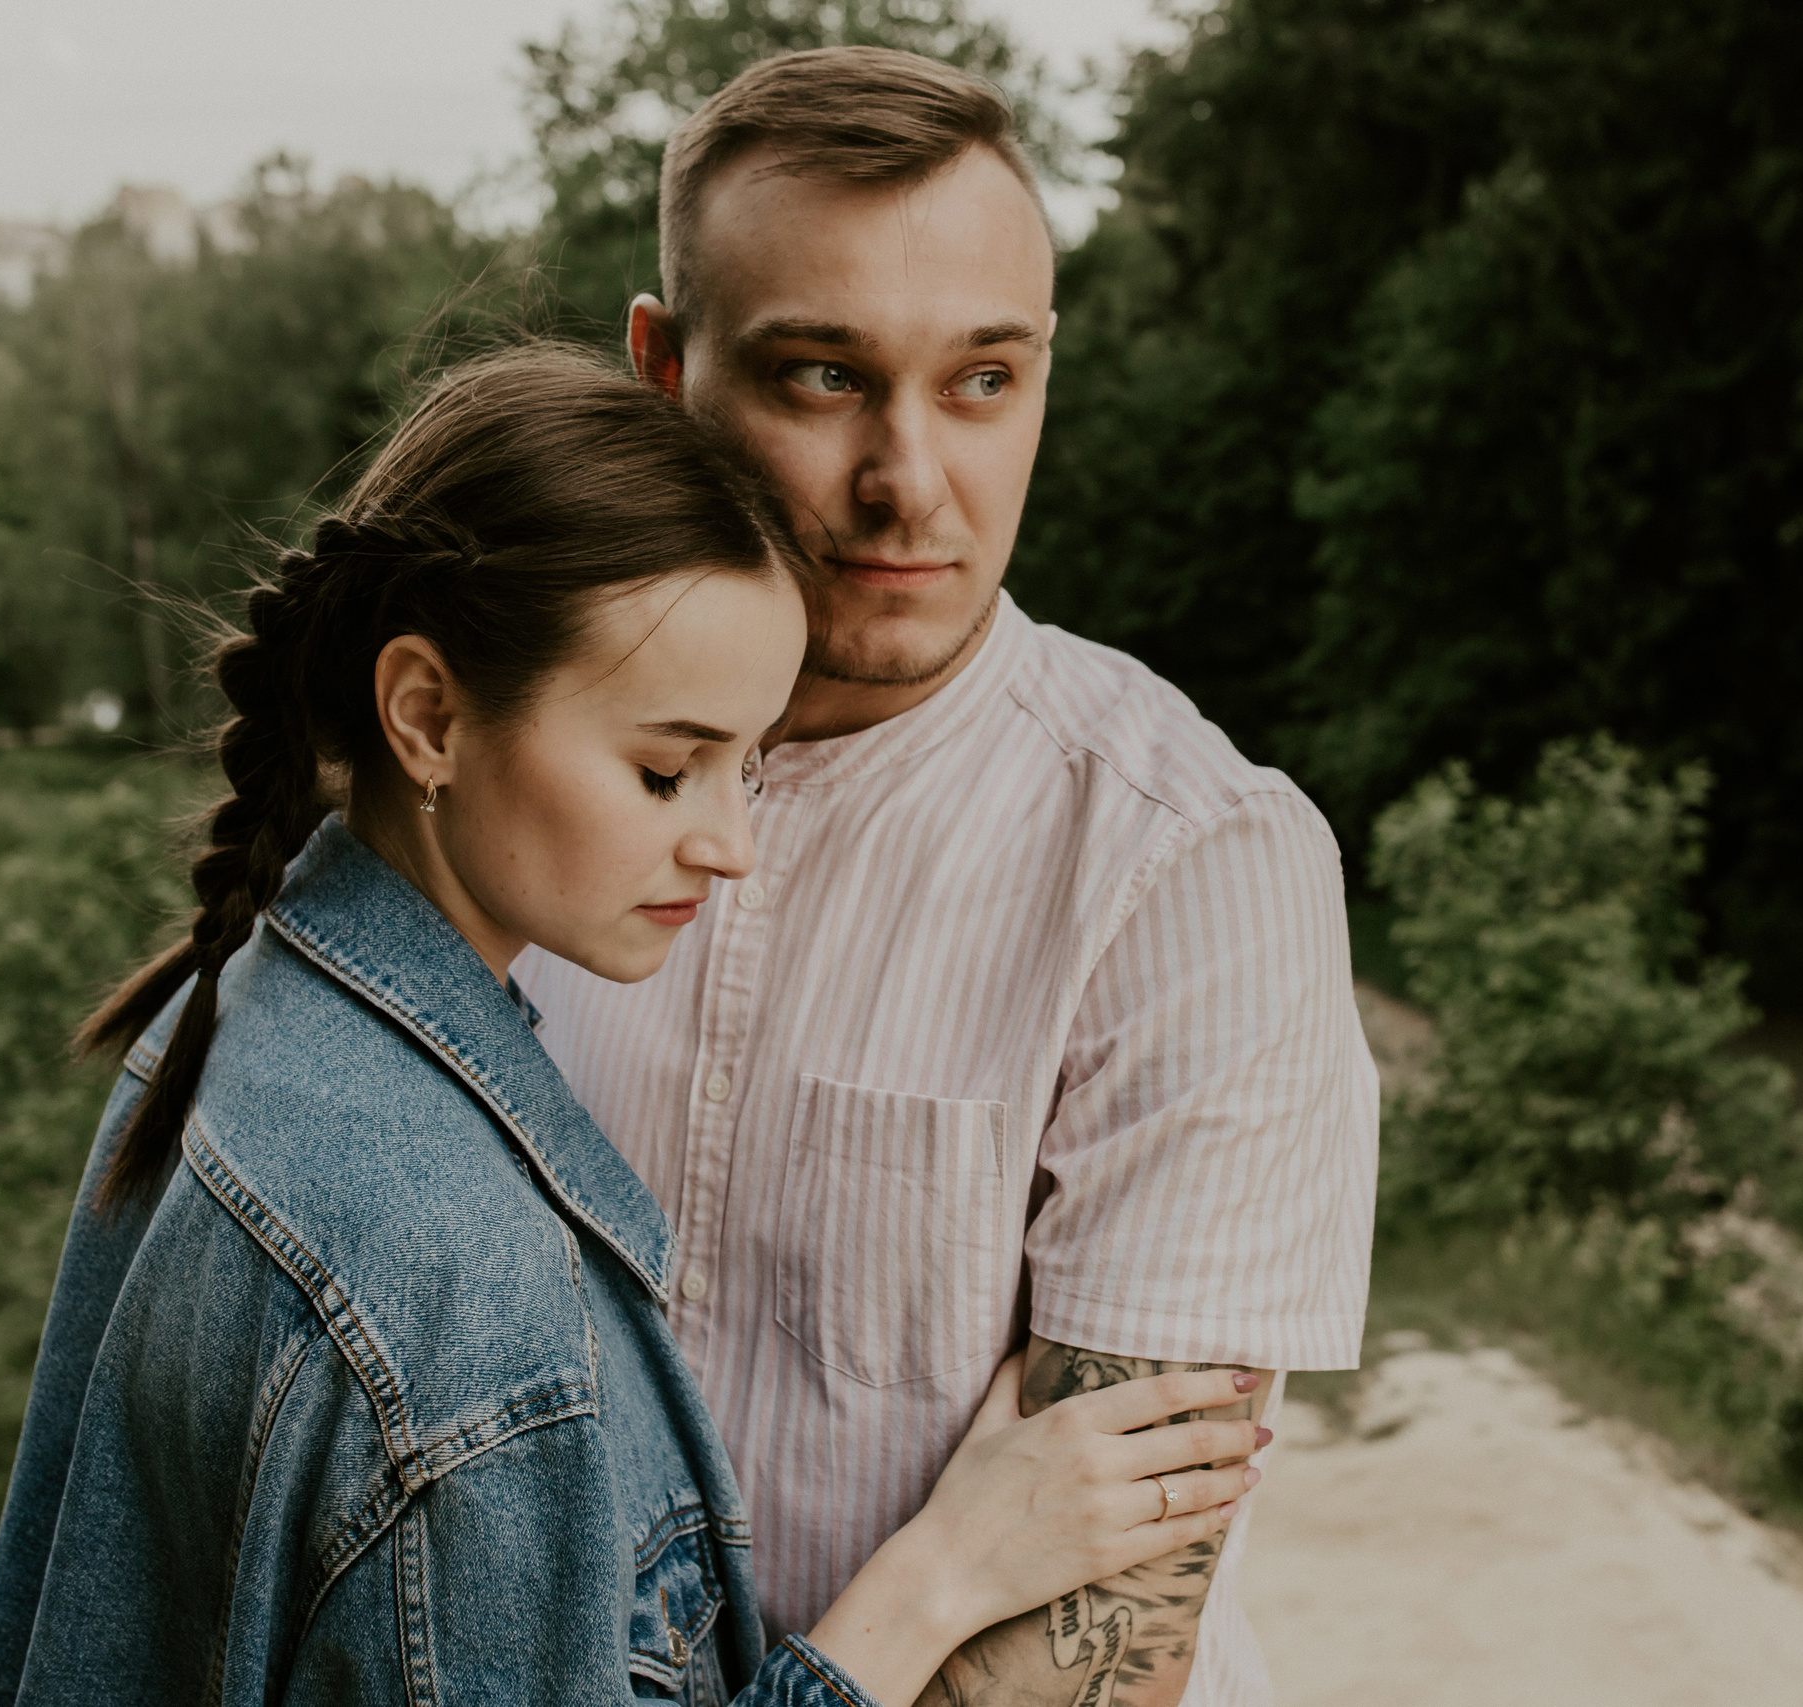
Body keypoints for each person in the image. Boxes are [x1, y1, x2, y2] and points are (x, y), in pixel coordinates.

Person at [0, 346, 1269, 1707]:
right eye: (664, 769)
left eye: (744, 765)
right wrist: (936, 1580)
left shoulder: (226, 1007)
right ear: (428, 716)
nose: (731, 844)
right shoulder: (465, 1290)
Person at [512, 47, 1379, 1707]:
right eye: (824, 378)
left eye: (984, 379)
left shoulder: (1192, 868)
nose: (914, 482)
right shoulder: (517, 797)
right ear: (659, 371)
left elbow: (1091, 1659)